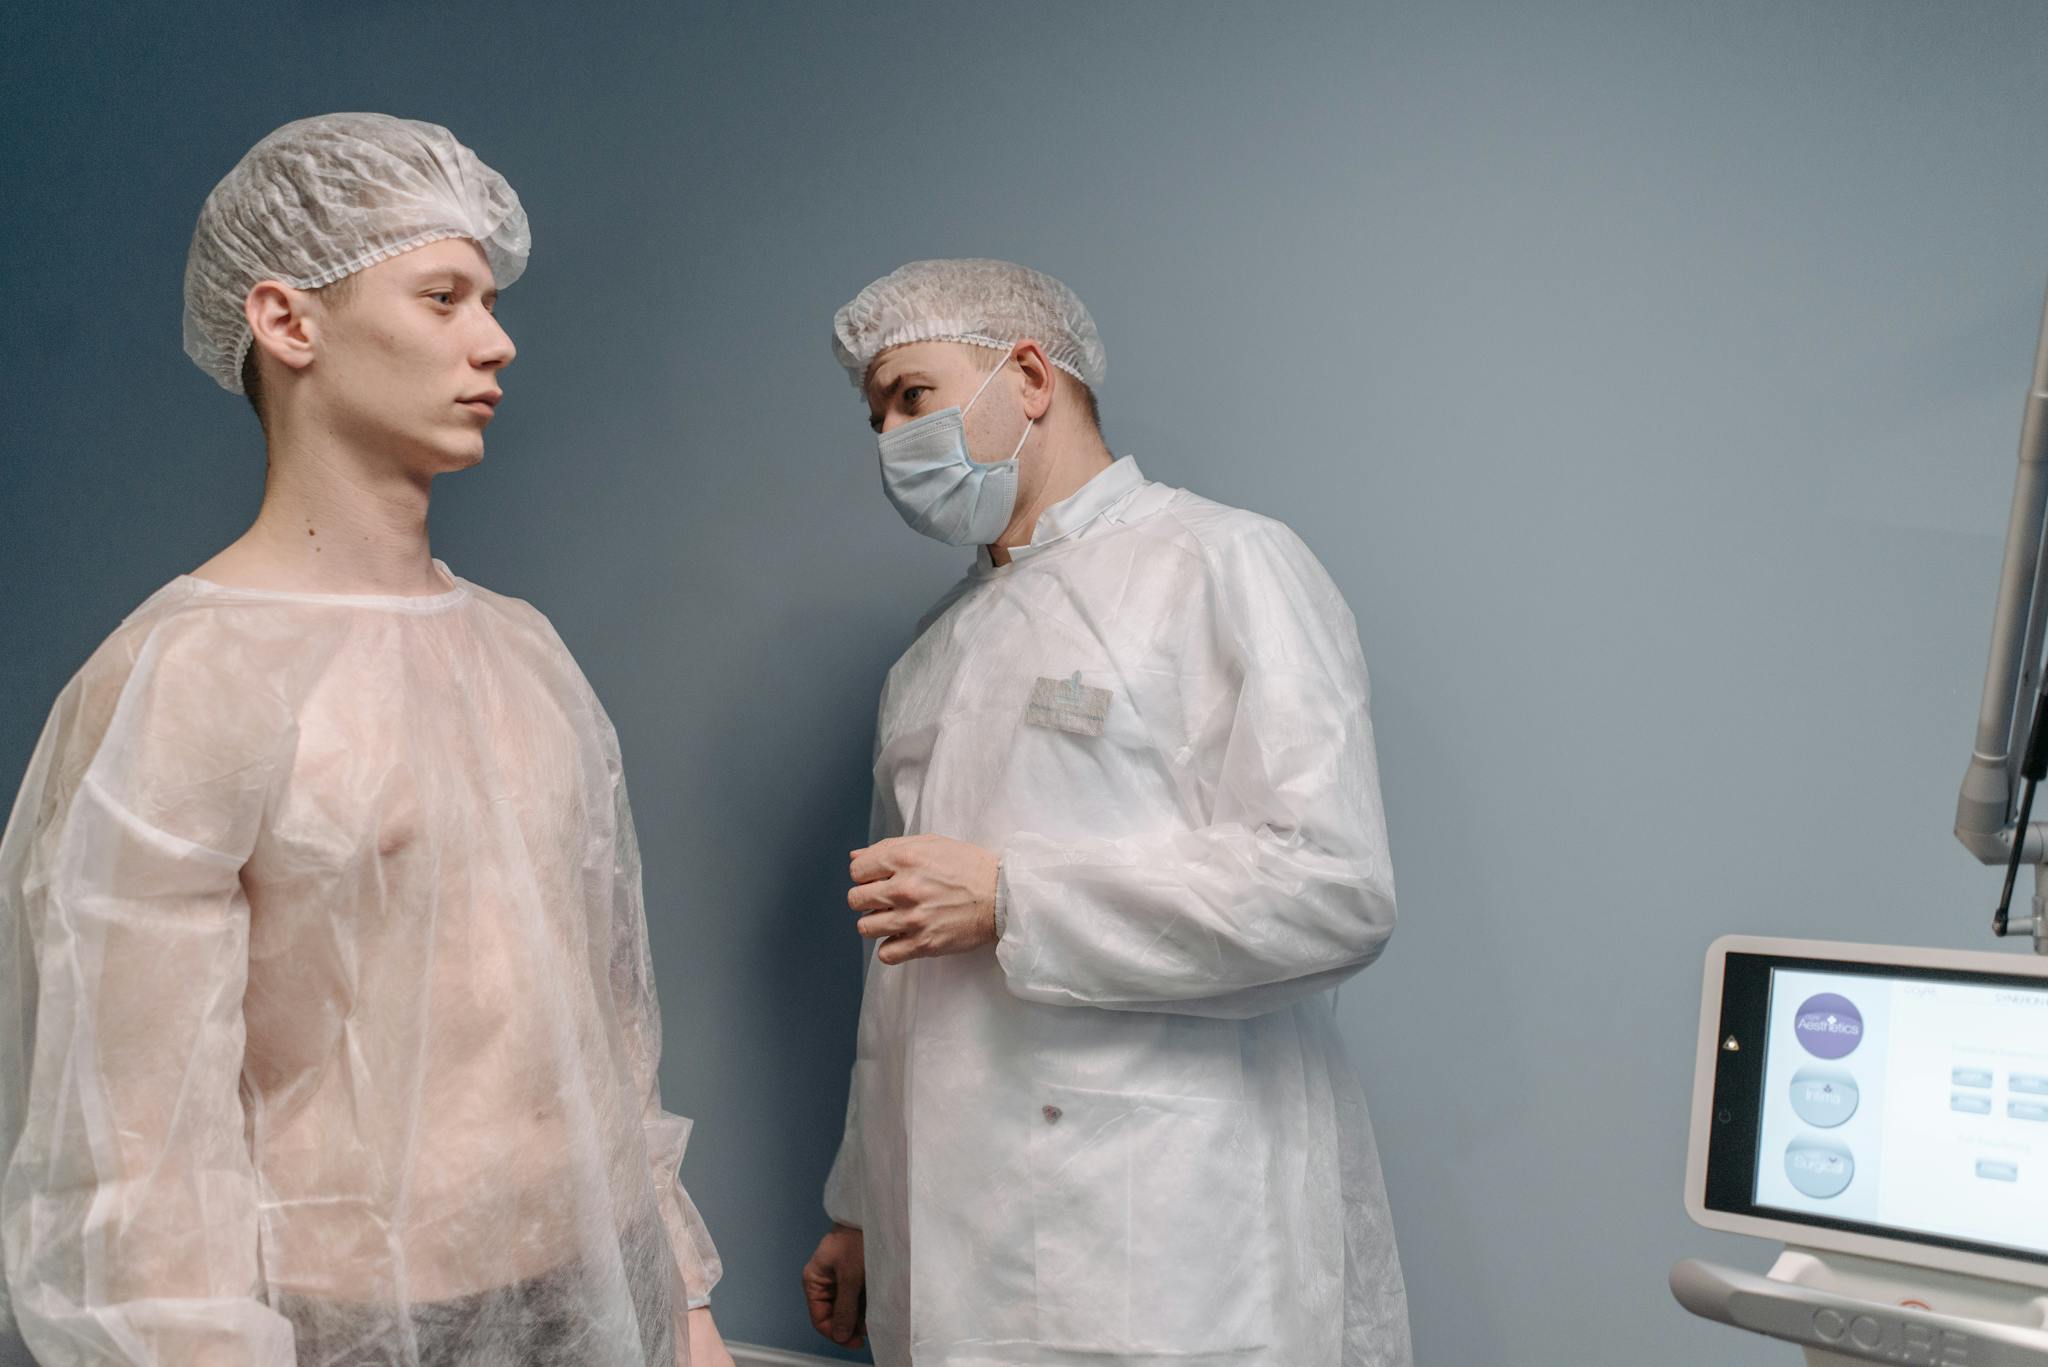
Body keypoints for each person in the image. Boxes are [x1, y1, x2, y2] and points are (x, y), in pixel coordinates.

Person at [0, 113, 731, 1367]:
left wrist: (687, 1300)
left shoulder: (522, 653)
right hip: (343, 1325)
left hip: (600, 1287)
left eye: (489, 300)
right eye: (441, 296)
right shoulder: (190, 679)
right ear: (289, 322)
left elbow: (608, 1031)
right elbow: (132, 1151)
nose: (494, 340)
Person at [801, 258, 1412, 1365]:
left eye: (911, 395)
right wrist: (859, 1202)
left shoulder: (1221, 564)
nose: (888, 435)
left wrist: (1011, 896)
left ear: (1028, 375)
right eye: (875, 412)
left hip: (1165, 1234)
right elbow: (898, 969)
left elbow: (1329, 888)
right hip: (947, 1223)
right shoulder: (932, 656)